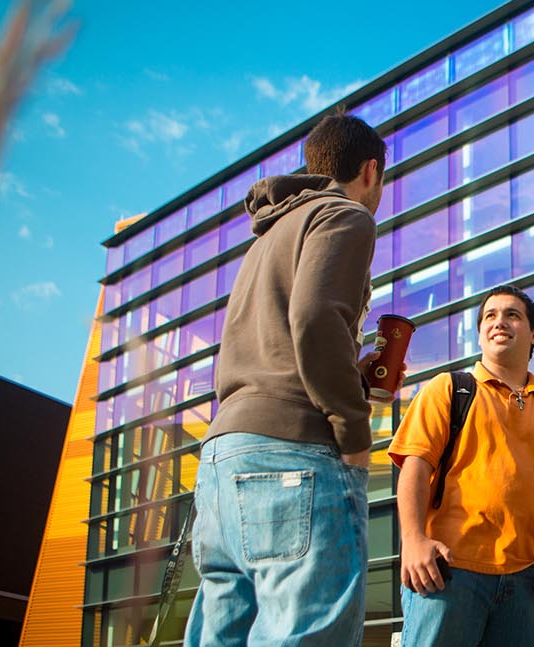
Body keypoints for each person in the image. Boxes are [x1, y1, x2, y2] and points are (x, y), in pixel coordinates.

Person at [185, 114, 392, 646]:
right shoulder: (345, 215)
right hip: (293, 454)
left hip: (223, 459)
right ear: (370, 171)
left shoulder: (266, 238)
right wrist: (352, 430)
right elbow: (314, 317)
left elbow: (283, 335)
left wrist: (354, 372)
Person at [389, 285, 534, 647]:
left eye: (512, 315)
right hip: (448, 574)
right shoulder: (448, 389)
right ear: (481, 334)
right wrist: (412, 540)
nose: (499, 321)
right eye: (490, 316)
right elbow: (415, 467)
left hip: (528, 583)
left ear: (533, 334)